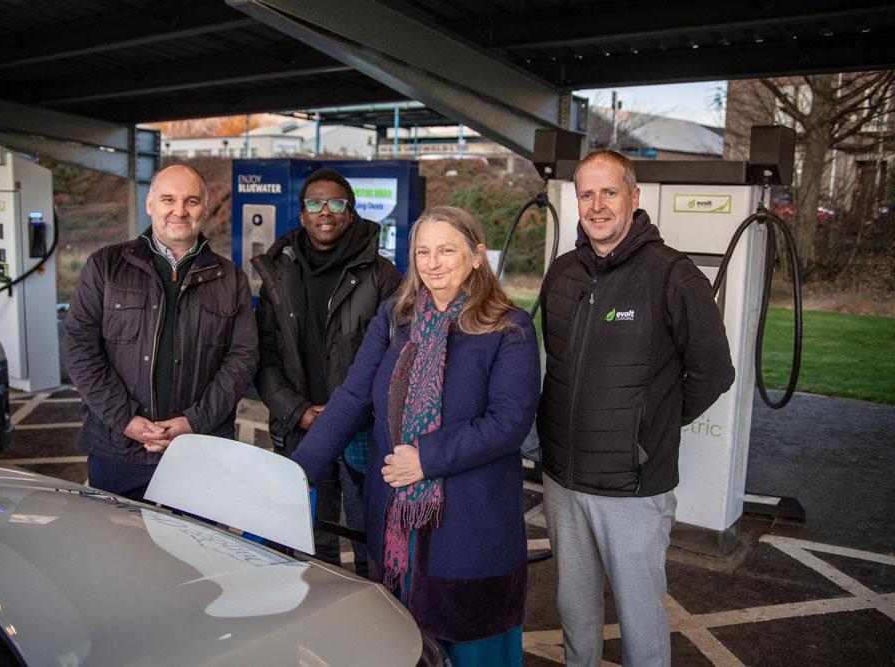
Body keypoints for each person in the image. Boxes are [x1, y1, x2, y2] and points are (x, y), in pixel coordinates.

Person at [291, 205, 540, 666]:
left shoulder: (509, 327)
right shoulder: (395, 318)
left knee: (472, 645)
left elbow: (509, 423)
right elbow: (352, 397)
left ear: (477, 256)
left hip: (470, 522)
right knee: (399, 642)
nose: (433, 263)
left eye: (446, 250)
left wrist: (426, 458)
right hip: (394, 519)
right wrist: (296, 472)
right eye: (423, 252)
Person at [537, 150, 735, 666]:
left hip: (632, 488)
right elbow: (556, 364)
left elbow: (715, 371)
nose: (597, 205)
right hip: (562, 481)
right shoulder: (562, 272)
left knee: (640, 620)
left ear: (634, 196)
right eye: (586, 194)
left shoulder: (672, 275)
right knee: (574, 613)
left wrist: (650, 428)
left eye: (609, 192)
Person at [63, 163, 259, 501]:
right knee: (114, 535)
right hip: (117, 449)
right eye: (168, 199)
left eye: (191, 201)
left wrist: (193, 422)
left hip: (200, 450)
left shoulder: (230, 278)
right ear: (149, 204)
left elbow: (243, 358)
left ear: (205, 208)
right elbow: (79, 348)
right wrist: (125, 418)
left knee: (194, 537)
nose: (179, 211)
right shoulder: (106, 266)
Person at [252, 167, 401, 575]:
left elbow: (396, 359)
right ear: (302, 214)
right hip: (298, 427)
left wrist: (344, 414)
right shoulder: (277, 272)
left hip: (361, 432)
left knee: (370, 540)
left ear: (350, 212)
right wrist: (296, 409)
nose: (325, 211)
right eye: (315, 203)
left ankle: (372, 611)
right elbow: (263, 353)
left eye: (336, 203)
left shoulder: (381, 275)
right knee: (306, 545)